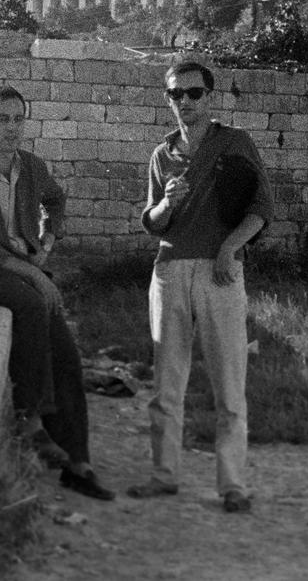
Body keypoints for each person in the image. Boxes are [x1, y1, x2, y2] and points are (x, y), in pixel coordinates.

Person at [0, 83, 115, 501]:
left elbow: (56, 200)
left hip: (16, 269)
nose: (13, 128)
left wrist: (47, 241)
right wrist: (36, 274)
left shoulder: (30, 167)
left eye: (19, 119)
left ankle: (78, 462)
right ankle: (29, 418)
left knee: (66, 353)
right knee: (34, 302)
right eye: (3, 119)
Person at [127, 60, 275, 512]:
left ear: (210, 97)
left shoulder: (235, 144)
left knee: (230, 385)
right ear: (168, 100)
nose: (185, 102)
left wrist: (231, 248)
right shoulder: (161, 154)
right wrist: (166, 204)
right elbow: (151, 223)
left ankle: (233, 486)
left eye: (194, 93)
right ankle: (164, 475)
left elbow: (262, 207)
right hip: (170, 272)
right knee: (166, 383)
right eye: (176, 95)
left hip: (219, 274)